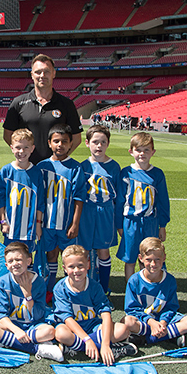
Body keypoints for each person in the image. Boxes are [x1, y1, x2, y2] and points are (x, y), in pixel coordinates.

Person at [53, 245, 136, 364]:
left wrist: (106, 344)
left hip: (93, 327)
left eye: (80, 266)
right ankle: (104, 347)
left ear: (88, 265)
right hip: (72, 329)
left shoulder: (95, 286)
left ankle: (76, 348)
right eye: (71, 267)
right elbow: (67, 319)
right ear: (64, 268)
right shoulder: (60, 288)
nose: (76, 270)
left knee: (122, 330)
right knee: (60, 333)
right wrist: (87, 340)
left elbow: (106, 314)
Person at [0, 242, 63, 361]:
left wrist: (28, 295)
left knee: (50, 331)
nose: (14, 264)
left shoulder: (38, 281)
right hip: (11, 325)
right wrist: (16, 331)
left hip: (32, 325)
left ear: (28, 261)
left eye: (18, 259)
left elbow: (38, 314)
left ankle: (7, 342)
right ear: (6, 265)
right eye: (10, 261)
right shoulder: (3, 281)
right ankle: (36, 349)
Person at [3, 54, 83, 164]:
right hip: (28, 168)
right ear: (32, 75)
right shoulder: (18, 103)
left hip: (55, 170)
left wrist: (59, 158)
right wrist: (24, 156)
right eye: (38, 72)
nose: (42, 75)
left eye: (47, 71)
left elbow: (77, 138)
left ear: (54, 73)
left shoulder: (66, 104)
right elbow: (8, 135)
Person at [37, 124, 86, 301]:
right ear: (49, 143)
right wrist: (38, 223)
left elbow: (79, 198)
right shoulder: (42, 166)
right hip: (47, 223)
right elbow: (38, 197)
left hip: (66, 223)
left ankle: (69, 291)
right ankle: (49, 290)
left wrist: (75, 223)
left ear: (71, 143)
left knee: (69, 257)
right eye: (56, 141)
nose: (60, 145)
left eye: (64, 141)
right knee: (50, 255)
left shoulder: (75, 167)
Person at [122, 237, 187, 347]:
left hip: (163, 320)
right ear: (140, 258)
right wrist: (151, 322)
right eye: (148, 259)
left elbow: (171, 307)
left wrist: (163, 323)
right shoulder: (134, 281)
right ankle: (169, 336)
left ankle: (148, 338)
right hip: (144, 321)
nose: (153, 264)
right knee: (126, 321)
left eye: (157, 259)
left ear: (164, 257)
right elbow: (131, 309)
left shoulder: (169, 280)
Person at [116, 132, 170, 282]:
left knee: (149, 256)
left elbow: (163, 202)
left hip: (150, 222)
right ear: (131, 151)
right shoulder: (126, 172)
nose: (142, 154)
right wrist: (119, 224)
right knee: (130, 258)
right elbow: (120, 201)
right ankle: (131, 290)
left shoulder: (157, 174)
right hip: (130, 222)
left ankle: (147, 287)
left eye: (146, 150)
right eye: (139, 150)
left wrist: (162, 225)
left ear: (153, 152)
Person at [78, 124, 120, 297]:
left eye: (103, 142)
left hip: (105, 213)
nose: (99, 146)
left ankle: (103, 289)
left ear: (108, 144)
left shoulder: (114, 167)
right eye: (95, 142)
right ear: (87, 143)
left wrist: (118, 223)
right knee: (84, 251)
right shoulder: (82, 166)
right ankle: (85, 288)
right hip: (87, 213)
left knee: (103, 250)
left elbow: (119, 198)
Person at [0, 128, 45, 251]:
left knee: (27, 258)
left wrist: (38, 224)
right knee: (11, 256)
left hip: (30, 228)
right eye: (18, 147)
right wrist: (3, 221)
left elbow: (40, 202)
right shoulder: (6, 171)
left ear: (32, 148)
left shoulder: (37, 172)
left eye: (26, 147)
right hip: (11, 227)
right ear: (11, 148)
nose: (22, 151)